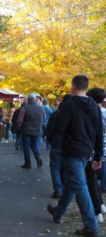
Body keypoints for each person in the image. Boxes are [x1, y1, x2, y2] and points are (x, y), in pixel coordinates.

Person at [47, 74, 104, 237]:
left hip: (72, 151)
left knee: (79, 187)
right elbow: (99, 132)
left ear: (73, 86)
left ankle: (91, 227)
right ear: (86, 87)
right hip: (87, 152)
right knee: (73, 183)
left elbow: (58, 129)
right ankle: (58, 212)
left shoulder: (69, 105)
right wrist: (98, 156)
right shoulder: (94, 106)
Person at [85, 88, 106, 223]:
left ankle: (97, 211)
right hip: (103, 148)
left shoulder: (93, 113)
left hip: (94, 150)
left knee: (91, 179)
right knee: (95, 178)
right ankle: (101, 205)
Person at [46, 94, 71, 199]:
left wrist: (51, 140)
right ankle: (63, 188)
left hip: (56, 143)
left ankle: (57, 189)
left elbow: (50, 129)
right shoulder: (73, 114)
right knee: (64, 168)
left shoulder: (55, 114)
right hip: (68, 145)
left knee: (55, 167)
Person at [17, 93, 45, 169]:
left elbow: (20, 121)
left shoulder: (24, 108)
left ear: (28, 99)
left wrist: (19, 127)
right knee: (35, 145)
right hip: (37, 130)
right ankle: (38, 157)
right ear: (35, 99)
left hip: (26, 131)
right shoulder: (41, 108)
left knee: (26, 147)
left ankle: (27, 163)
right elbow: (44, 117)